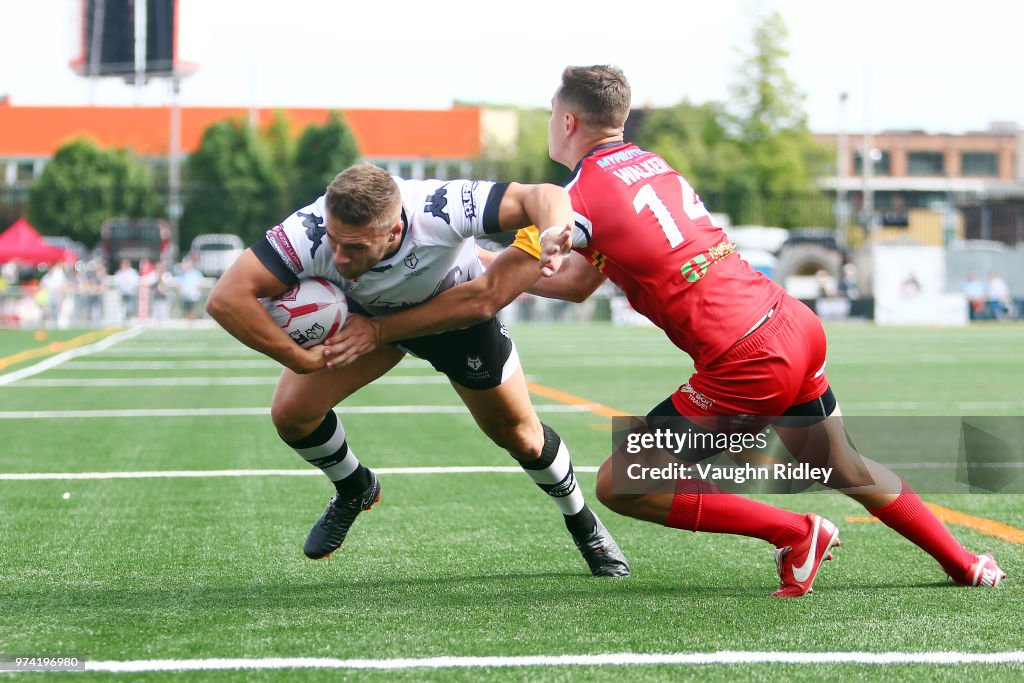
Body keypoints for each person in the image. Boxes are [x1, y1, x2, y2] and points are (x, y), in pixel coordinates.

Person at [323, 66, 1006, 596]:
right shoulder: (652, 164)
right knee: (842, 462)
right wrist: (498, 263)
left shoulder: (578, 195)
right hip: (793, 324)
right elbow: (579, 280)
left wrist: (389, 321)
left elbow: (490, 297)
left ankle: (800, 530)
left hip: (747, 356)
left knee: (624, 482)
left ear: (566, 120)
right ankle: (965, 562)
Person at [205, 163, 629, 577]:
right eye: (334, 241)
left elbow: (546, 196)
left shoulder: (437, 208)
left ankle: (582, 521)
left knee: (521, 437)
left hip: (456, 320)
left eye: (355, 248)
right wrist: (296, 357)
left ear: (393, 231)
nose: (338, 256)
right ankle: (355, 487)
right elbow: (226, 298)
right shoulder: (308, 229)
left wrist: (553, 230)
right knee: (292, 416)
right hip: (365, 321)